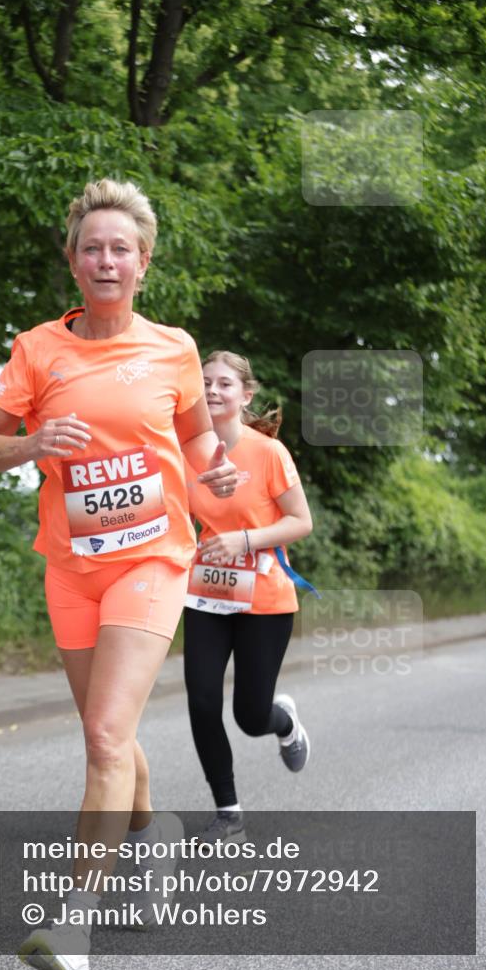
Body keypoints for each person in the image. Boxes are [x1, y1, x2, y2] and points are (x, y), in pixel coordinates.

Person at [0, 179, 237, 970]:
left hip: (150, 560)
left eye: (121, 248)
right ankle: (152, 840)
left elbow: (195, 439)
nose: (107, 260)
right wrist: (32, 443)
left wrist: (217, 470)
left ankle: (74, 930)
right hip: (71, 568)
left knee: (102, 737)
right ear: (72, 261)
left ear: (143, 262)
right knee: (108, 730)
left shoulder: (174, 349)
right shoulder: (36, 350)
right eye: (93, 248)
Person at [183, 350, 315, 846]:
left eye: (224, 384)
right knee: (201, 701)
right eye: (205, 383)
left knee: (249, 716)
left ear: (246, 394)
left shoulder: (268, 453)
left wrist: (244, 539)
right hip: (208, 593)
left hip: (265, 598)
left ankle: (284, 722)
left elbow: (301, 521)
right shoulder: (184, 450)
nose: (212, 391)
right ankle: (229, 815)